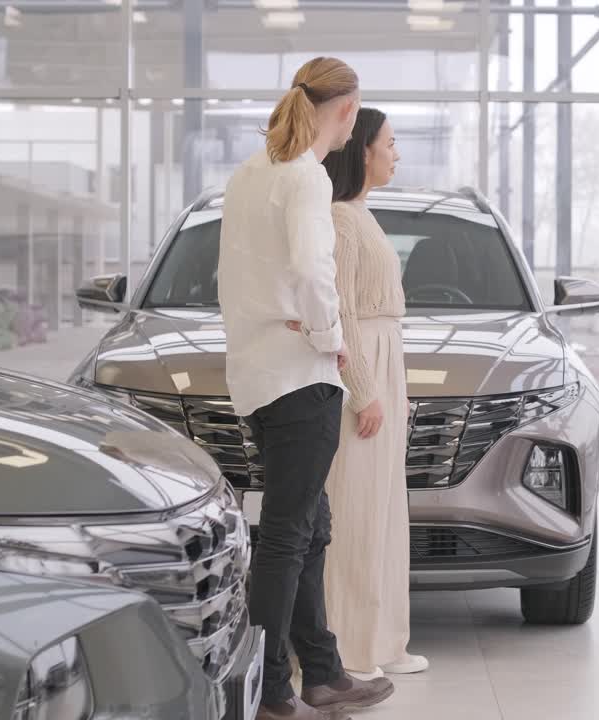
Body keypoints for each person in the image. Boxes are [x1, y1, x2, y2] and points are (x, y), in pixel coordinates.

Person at [218, 57, 395, 720]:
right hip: (301, 376)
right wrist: (330, 337)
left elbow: (235, 279)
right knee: (289, 535)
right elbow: (315, 271)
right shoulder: (306, 177)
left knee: (310, 527)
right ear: (346, 112)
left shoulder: (249, 173)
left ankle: (322, 673)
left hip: (259, 375)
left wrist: (296, 323)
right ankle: (269, 689)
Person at [302, 107, 428, 679]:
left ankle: (381, 642)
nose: (396, 154)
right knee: (354, 510)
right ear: (364, 151)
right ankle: (348, 649)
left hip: (385, 360)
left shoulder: (362, 215)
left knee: (383, 510)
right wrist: (363, 391)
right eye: (390, 143)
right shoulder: (340, 219)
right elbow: (344, 311)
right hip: (365, 368)